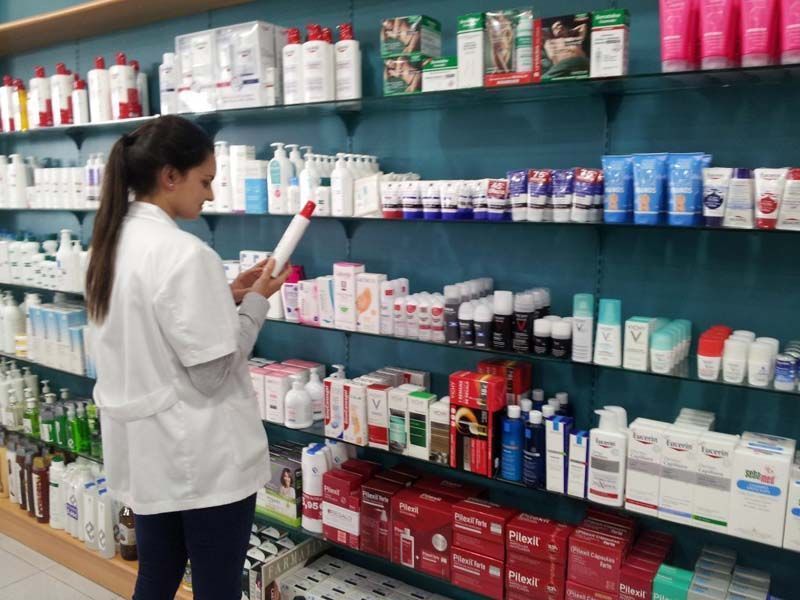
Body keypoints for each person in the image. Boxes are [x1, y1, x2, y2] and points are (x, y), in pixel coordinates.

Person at [85, 115, 290, 600]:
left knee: (157, 577)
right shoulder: (183, 253)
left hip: (148, 452)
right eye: (205, 181)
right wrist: (257, 302)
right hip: (202, 457)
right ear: (169, 176)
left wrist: (225, 296)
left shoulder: (110, 243)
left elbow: (153, 322)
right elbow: (215, 371)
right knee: (216, 589)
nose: (211, 195)